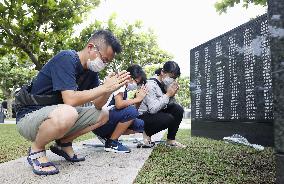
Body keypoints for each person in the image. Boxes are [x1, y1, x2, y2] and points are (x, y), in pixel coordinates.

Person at [15, 30, 130, 175]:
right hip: (29, 117)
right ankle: (36, 150)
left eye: (107, 62)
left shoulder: (91, 73)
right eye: (104, 59)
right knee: (68, 111)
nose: (104, 64)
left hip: (56, 116)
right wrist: (104, 87)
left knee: (104, 114)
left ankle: (64, 143)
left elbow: (98, 106)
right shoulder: (66, 58)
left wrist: (108, 89)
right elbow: (70, 99)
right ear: (90, 47)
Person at [93, 64, 148, 152]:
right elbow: (119, 104)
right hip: (100, 121)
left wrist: (139, 101)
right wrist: (137, 99)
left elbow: (130, 116)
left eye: (138, 83)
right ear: (129, 77)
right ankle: (112, 142)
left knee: (140, 124)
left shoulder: (125, 90)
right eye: (136, 82)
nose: (136, 85)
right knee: (131, 111)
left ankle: (107, 136)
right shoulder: (120, 84)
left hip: (105, 121)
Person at [138, 61, 186, 148]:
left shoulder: (164, 84)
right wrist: (167, 94)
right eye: (171, 77)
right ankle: (146, 133)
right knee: (168, 118)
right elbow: (152, 109)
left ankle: (171, 140)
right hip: (144, 116)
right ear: (162, 72)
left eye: (174, 78)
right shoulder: (150, 84)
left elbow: (170, 105)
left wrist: (172, 95)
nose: (172, 80)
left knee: (178, 109)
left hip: (155, 113)